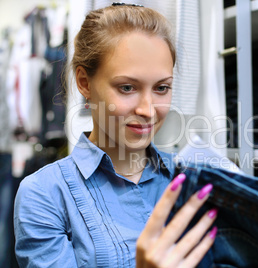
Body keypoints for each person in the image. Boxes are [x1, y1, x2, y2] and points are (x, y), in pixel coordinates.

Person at [13, 4, 218, 268]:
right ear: (85, 83)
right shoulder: (45, 195)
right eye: (127, 87)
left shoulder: (198, 178)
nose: (147, 110)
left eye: (162, 88)